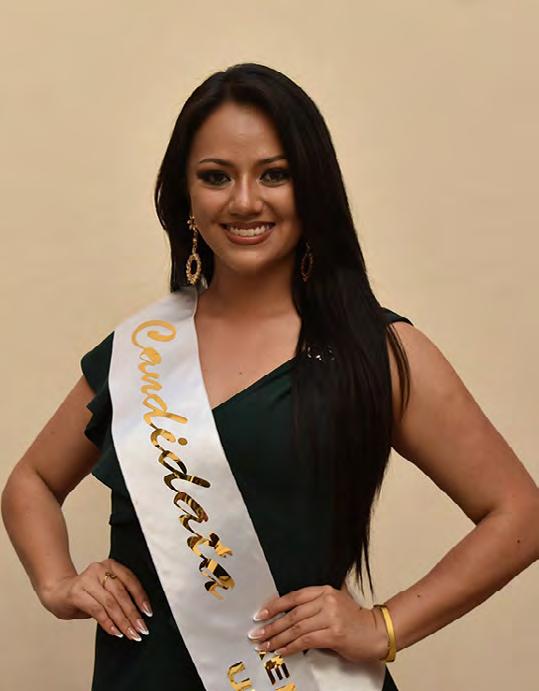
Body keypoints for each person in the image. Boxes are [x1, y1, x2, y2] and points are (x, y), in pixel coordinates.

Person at [2, 62, 539, 691]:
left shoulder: (375, 351)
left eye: (275, 174)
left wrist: (385, 626)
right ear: (185, 196)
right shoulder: (140, 350)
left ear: (312, 188)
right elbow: (31, 483)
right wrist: (58, 583)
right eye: (216, 177)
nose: (245, 201)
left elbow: (519, 513)